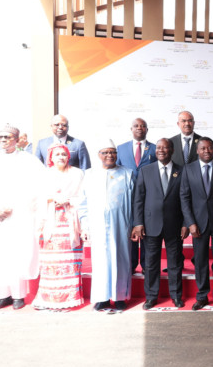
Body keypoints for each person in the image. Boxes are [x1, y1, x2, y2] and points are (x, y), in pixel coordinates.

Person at [0, 125, 43, 311]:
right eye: (0, 136)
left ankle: (18, 296)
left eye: (7, 137)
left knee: (18, 253)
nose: (3, 140)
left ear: (16, 139)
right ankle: (3, 295)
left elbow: (38, 187)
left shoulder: (28, 160)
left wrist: (12, 207)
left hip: (19, 215)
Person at [132, 138, 188, 310]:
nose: (161, 150)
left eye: (166, 147)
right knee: (150, 264)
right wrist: (138, 223)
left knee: (175, 263)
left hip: (175, 225)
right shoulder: (145, 171)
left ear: (172, 150)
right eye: (159, 148)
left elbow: (187, 199)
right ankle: (151, 297)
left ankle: (176, 296)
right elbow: (138, 199)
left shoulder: (182, 170)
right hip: (150, 225)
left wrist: (186, 223)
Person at [179, 137, 213, 311]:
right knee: (201, 260)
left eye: (210, 148)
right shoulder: (188, 169)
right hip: (197, 225)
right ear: (197, 150)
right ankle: (202, 296)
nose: (206, 151)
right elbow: (184, 198)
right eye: (203, 148)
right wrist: (190, 223)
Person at [78, 139, 133, 311]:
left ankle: (119, 297)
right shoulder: (89, 174)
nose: (110, 155)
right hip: (98, 225)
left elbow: (134, 202)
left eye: (113, 152)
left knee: (121, 260)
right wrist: (85, 225)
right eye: (106, 152)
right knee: (100, 260)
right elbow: (82, 202)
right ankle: (102, 297)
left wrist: (133, 225)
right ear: (99, 155)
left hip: (122, 225)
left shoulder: (127, 173)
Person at [33, 143, 85, 310]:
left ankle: (69, 299)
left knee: (69, 261)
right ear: (51, 158)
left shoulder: (77, 174)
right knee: (51, 262)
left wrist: (69, 200)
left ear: (68, 156)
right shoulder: (44, 175)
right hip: (50, 223)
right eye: (57, 155)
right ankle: (48, 299)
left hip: (71, 222)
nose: (61, 157)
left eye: (64, 154)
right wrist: (52, 199)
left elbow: (84, 197)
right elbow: (37, 198)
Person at [116, 118, 157, 273]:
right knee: (129, 231)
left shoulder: (154, 149)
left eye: (143, 126)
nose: (139, 128)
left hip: (149, 197)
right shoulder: (121, 148)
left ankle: (147, 265)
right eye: (136, 126)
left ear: (147, 129)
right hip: (127, 197)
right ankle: (131, 264)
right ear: (131, 129)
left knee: (146, 230)